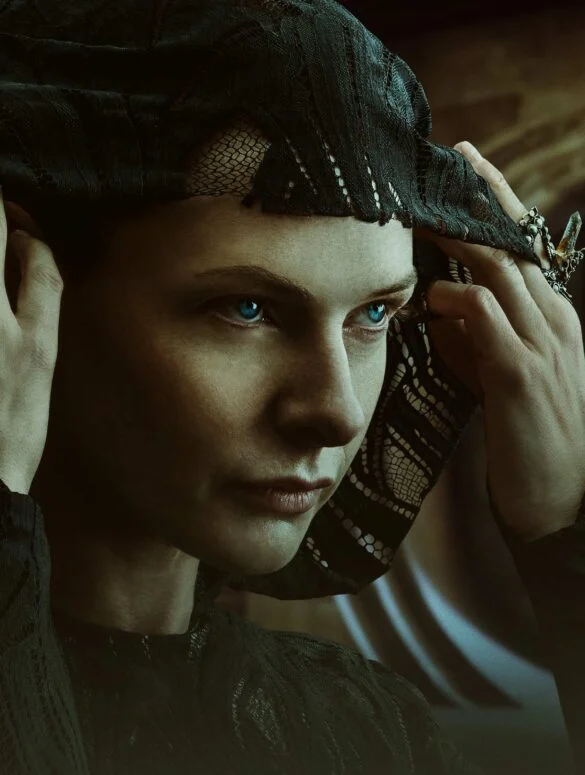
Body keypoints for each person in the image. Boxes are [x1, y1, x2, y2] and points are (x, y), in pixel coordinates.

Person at [0, 1, 584, 773]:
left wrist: (559, 534)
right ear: (17, 284)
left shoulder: (367, 733)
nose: (336, 411)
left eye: (374, 314)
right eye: (246, 308)